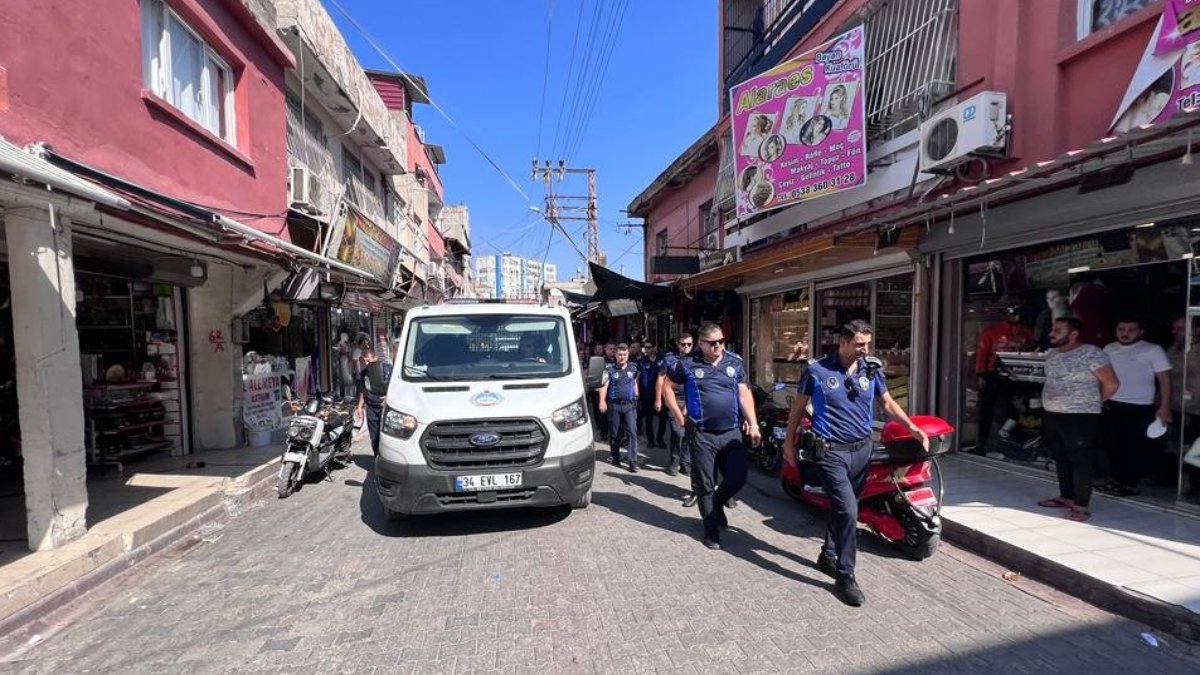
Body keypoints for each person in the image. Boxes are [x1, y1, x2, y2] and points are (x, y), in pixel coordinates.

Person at [781, 320, 927, 607]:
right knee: (848, 510)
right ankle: (845, 575)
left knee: (845, 508)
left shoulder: (870, 368)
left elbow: (886, 403)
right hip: (831, 452)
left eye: (867, 344)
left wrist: (911, 426)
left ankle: (828, 554)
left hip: (862, 451)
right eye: (860, 344)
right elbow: (798, 408)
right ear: (843, 342)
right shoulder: (817, 370)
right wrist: (788, 443)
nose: (865, 349)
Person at [662, 323, 760, 550]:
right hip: (702, 434)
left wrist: (753, 423)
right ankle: (711, 529)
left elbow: (743, 393)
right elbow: (667, 386)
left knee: (738, 477)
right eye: (713, 343)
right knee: (705, 484)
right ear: (701, 343)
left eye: (721, 341)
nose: (718, 346)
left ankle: (717, 502)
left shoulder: (734, 362)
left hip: (731, 432)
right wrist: (678, 415)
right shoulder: (687, 363)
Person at [1036, 317, 1120, 523]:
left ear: (1073, 334)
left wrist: (1092, 402)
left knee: (1080, 460)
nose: (1051, 333)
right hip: (1053, 413)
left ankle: (1081, 506)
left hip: (1080, 416)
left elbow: (1112, 383)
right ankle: (1066, 496)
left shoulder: (1091, 353)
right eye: (1052, 329)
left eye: (1058, 330)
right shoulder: (1053, 354)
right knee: (1061, 456)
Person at [1098, 318, 1172, 497]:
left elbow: (1165, 381)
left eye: (1131, 330)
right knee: (1111, 444)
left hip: (1140, 406)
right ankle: (1116, 480)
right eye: (1121, 329)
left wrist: (1165, 407)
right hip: (1111, 403)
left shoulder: (1152, 350)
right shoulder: (1109, 348)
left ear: (1141, 332)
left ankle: (1129, 484)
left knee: (1134, 448)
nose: (1125, 333)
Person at [974, 305, 1034, 450]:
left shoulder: (1026, 332)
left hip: (1018, 376)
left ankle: (1012, 441)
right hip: (993, 375)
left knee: (1016, 408)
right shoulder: (991, 331)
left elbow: (1032, 351)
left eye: (1019, 314)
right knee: (987, 409)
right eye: (1013, 314)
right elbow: (982, 353)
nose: (1016, 317)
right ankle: (982, 442)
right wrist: (980, 374)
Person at [656, 333, 695, 480]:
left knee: (688, 433)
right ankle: (674, 461)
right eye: (683, 344)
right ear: (678, 344)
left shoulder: (696, 359)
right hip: (674, 399)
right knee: (678, 432)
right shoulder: (669, 359)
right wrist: (658, 399)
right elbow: (661, 379)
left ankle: (685, 463)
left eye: (689, 344)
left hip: (691, 400)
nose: (686, 347)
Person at [599, 343, 640, 471]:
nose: (622, 357)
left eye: (624, 354)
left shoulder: (633, 368)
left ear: (628, 355)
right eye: (620, 354)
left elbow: (634, 383)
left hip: (629, 405)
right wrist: (602, 401)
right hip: (614, 405)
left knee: (632, 432)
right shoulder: (609, 370)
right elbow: (604, 386)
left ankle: (632, 461)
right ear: (615, 355)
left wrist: (637, 394)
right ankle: (615, 457)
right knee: (615, 433)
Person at [356, 342, 396, 456]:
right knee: (374, 437)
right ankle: (377, 460)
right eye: (364, 361)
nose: (367, 363)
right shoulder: (364, 373)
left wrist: (389, 397)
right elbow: (364, 390)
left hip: (385, 407)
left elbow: (396, 386)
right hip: (371, 407)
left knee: (387, 436)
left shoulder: (387, 369)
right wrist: (359, 407)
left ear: (375, 358)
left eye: (368, 360)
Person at [637, 344, 661, 448]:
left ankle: (660, 438)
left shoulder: (661, 360)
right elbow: (638, 377)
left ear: (654, 348)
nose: (646, 350)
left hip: (660, 392)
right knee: (649, 417)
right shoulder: (642, 361)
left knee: (663, 417)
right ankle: (650, 439)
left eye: (649, 347)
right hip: (646, 392)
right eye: (645, 348)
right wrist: (637, 392)